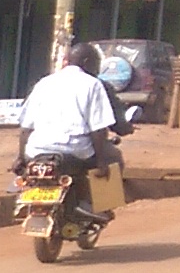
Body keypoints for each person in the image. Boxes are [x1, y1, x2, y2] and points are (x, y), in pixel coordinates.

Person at [15, 41, 122, 227]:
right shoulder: (93, 84)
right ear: (87, 62)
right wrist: (102, 162)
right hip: (74, 150)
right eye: (96, 63)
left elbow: (26, 127)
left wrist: (20, 157)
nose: (97, 69)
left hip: (36, 150)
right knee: (114, 156)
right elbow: (98, 129)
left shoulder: (44, 83)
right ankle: (101, 206)